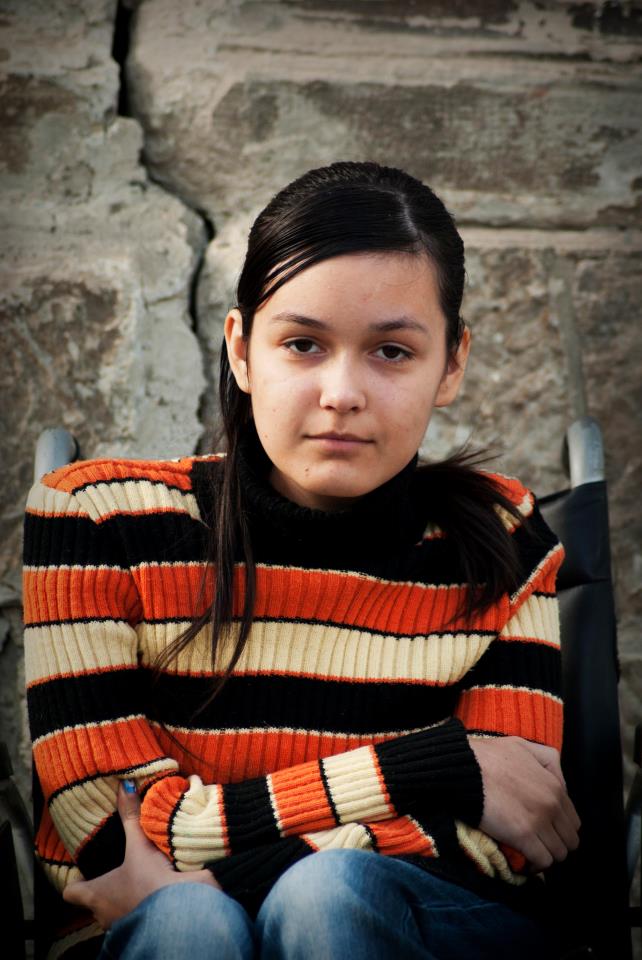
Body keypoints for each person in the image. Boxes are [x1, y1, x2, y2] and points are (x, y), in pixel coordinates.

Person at [23, 160, 580, 960]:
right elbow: (113, 842)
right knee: (188, 925)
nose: (342, 392)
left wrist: (240, 870)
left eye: (392, 351)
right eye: (303, 344)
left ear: (452, 364)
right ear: (242, 351)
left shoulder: (498, 537)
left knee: (323, 897)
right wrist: (430, 767)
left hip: (418, 926)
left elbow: (513, 831)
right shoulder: (98, 523)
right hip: (163, 939)